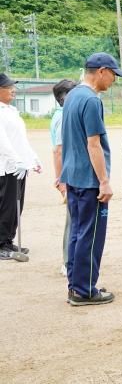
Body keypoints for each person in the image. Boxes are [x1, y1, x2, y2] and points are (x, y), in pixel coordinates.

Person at [61, 52, 122, 306]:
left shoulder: (72, 95)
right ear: (101, 71)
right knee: (91, 234)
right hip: (89, 180)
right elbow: (93, 144)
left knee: (77, 232)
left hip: (73, 175)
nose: (113, 81)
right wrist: (104, 181)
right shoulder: (91, 100)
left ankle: (75, 285)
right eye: (112, 75)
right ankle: (85, 289)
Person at [0, 73, 41, 262]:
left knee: (17, 205)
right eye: (8, 87)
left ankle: (8, 239)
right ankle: (1, 244)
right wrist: (16, 160)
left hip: (19, 166)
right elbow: (3, 141)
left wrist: (32, 158)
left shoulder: (11, 110)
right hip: (6, 166)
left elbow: (20, 140)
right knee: (6, 206)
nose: (13, 90)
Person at [51, 79, 77, 276]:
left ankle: (70, 261)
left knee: (74, 220)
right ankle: (68, 263)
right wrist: (61, 181)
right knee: (73, 221)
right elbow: (59, 151)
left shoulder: (63, 115)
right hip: (69, 178)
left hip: (70, 175)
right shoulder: (62, 117)